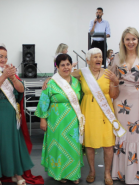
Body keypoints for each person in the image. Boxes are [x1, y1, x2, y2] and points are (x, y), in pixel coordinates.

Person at [0, 44, 43, 185]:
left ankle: (16, 173)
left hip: (9, 113)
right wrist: (4, 76)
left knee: (12, 144)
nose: (3, 59)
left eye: (5, 56)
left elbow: (21, 89)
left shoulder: (9, 72)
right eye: (0, 56)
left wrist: (12, 78)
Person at [71, 48, 125, 185]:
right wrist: (49, 78)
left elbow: (113, 95)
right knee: (89, 144)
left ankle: (107, 173)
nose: (98, 59)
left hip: (105, 114)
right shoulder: (82, 73)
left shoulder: (108, 74)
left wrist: (115, 82)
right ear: (88, 60)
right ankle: (92, 171)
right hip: (88, 112)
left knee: (108, 144)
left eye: (100, 57)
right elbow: (64, 75)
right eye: (95, 57)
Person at [35, 54, 84, 184]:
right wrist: (42, 119)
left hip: (73, 120)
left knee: (73, 146)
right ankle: (59, 173)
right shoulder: (51, 83)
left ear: (71, 65)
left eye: (68, 64)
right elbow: (44, 102)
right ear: (57, 66)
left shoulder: (77, 82)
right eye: (62, 65)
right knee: (58, 146)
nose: (66, 67)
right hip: (56, 121)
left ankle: (73, 174)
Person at [109, 27, 139, 184]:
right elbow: (106, 77)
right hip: (120, 101)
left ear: (137, 40)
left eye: (133, 39)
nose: (131, 42)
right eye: (127, 39)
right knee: (122, 134)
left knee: (136, 135)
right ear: (123, 41)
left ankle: (135, 175)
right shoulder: (117, 58)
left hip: (138, 100)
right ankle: (121, 173)